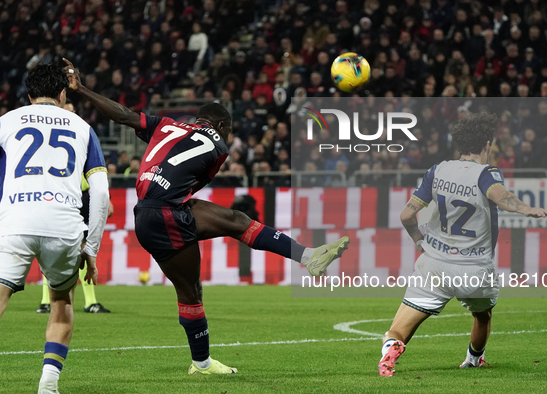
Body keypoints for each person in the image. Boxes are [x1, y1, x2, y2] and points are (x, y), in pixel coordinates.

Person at [63, 58, 349, 376]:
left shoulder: (166, 125)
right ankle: (201, 364)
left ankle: (307, 256)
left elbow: (122, 114)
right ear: (222, 126)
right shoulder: (220, 146)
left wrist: (83, 89)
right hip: (166, 215)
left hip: (149, 210)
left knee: (236, 220)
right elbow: (192, 176)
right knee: (191, 290)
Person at [378, 112, 547, 376]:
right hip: (474, 268)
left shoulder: (438, 170)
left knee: (399, 328)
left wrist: (418, 241)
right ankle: (473, 359)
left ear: (459, 144)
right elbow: (500, 196)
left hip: (434, 264)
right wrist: (526, 209)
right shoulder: (486, 173)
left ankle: (391, 346)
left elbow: (406, 215)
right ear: (486, 144)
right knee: (482, 316)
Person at [0, 62, 110, 394]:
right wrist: (91, 248)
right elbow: (101, 192)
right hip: (64, 225)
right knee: (61, 301)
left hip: (16, 219)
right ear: (63, 94)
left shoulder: (6, 122)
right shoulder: (82, 127)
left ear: (29, 94)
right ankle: (48, 384)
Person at [36, 100, 114, 314]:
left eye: (73, 110)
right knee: (52, 249)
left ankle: (89, 302)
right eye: (67, 110)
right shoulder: (56, 135)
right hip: (62, 196)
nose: (70, 113)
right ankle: (47, 301)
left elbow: (94, 171)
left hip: (83, 197)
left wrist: (107, 200)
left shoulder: (79, 133)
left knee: (78, 249)